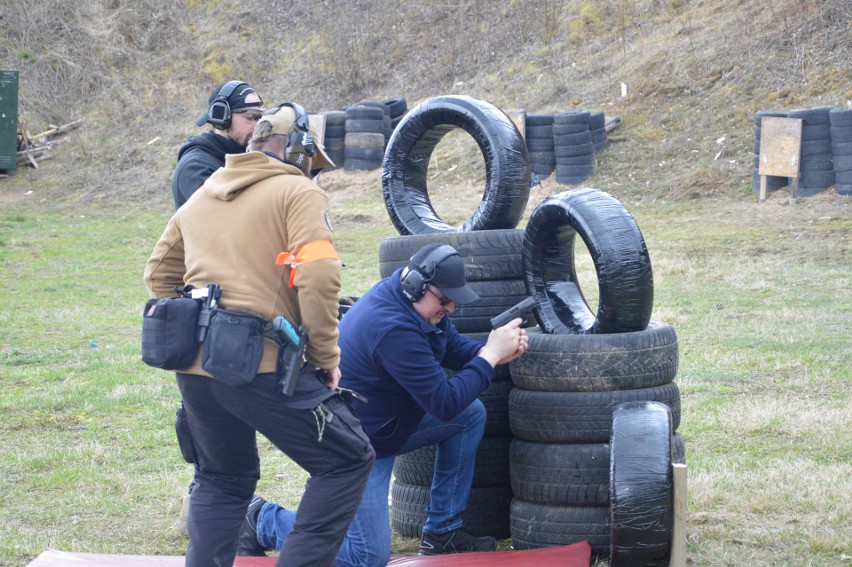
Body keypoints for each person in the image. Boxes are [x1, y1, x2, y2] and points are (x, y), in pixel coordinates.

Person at [144, 102, 375, 567]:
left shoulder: (207, 189)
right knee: (347, 459)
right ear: (300, 151)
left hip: (195, 367)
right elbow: (320, 274)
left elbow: (158, 274)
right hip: (260, 366)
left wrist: (209, 308)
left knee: (222, 479)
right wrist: (324, 355)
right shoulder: (296, 191)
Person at [239, 243, 529, 565]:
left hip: (384, 428)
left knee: (469, 414)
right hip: (356, 446)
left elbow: (451, 347)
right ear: (416, 286)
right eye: (444, 300)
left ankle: (442, 533)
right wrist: (489, 356)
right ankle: (260, 519)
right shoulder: (393, 327)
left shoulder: (410, 302)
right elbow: (443, 403)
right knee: (367, 557)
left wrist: (494, 352)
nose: (450, 309)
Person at [171, 80, 264, 208]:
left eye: (259, 118)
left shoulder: (246, 158)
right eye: (250, 117)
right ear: (222, 117)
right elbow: (224, 215)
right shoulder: (195, 167)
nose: (257, 126)